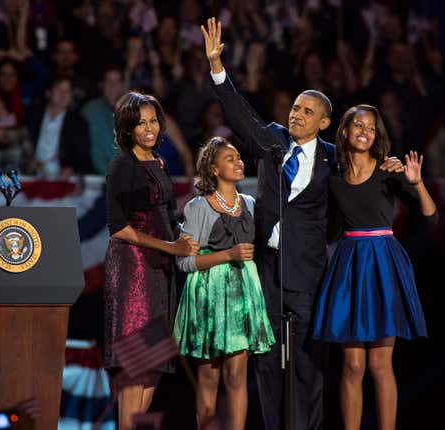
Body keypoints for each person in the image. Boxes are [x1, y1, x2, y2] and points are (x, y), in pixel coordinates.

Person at [200, 17, 403, 430]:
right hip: (268, 270)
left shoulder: (336, 158)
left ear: (324, 123)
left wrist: (392, 167)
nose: (297, 115)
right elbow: (239, 114)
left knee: (310, 365)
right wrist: (217, 68)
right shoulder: (272, 140)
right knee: (268, 364)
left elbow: (365, 174)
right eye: (295, 108)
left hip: (311, 273)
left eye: (308, 112)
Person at [312, 105, 437, 430]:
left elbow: (431, 217)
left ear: (377, 133)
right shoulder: (334, 178)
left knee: (381, 365)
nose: (364, 131)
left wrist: (418, 183)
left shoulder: (389, 170)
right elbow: (329, 230)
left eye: (370, 126)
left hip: (383, 264)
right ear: (344, 131)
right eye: (357, 125)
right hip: (349, 267)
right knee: (353, 366)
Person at [103, 91, 199, 430]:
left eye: (154, 121)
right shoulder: (122, 165)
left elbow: (167, 216)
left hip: (160, 273)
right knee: (135, 370)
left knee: (152, 368)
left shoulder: (159, 163)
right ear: (127, 129)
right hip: (133, 273)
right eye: (141, 123)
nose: (150, 128)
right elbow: (119, 228)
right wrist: (170, 247)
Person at [173, 137, 275, 430]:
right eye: (229, 158)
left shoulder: (251, 204)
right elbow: (185, 262)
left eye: (239, 157)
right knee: (209, 376)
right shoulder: (198, 207)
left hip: (243, 294)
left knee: (237, 375)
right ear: (214, 169)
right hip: (210, 294)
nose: (238, 162)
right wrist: (228, 254)